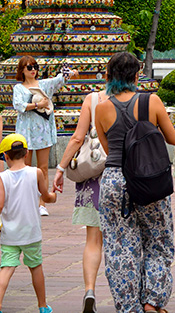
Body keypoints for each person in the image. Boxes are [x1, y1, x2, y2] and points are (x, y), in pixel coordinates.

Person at [94, 51, 175, 313]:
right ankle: (152, 301)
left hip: (115, 180)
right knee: (158, 241)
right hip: (149, 181)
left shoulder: (102, 107)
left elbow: (108, 148)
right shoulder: (151, 101)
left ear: (110, 75)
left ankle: (129, 308)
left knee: (120, 248)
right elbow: (173, 138)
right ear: (136, 75)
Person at [52, 88, 109, 313]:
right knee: (122, 239)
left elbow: (78, 137)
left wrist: (60, 168)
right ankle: (125, 294)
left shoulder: (93, 99)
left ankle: (89, 290)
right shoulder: (139, 99)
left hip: (94, 175)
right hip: (125, 175)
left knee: (93, 239)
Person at [0, 132, 56, 313]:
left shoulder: (2, 178)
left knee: (7, 268)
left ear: (6, 156)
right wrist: (53, 196)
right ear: (26, 154)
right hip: (31, 231)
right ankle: (42, 306)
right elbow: (46, 196)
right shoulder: (36, 172)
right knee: (36, 267)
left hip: (10, 233)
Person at [12, 55, 75, 215]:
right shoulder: (18, 88)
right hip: (26, 131)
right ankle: (25, 202)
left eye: (35, 67)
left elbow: (59, 80)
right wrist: (37, 105)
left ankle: (42, 203)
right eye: (29, 67)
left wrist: (70, 72)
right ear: (22, 70)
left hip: (42, 131)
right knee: (24, 167)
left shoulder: (44, 84)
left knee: (44, 167)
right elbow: (19, 105)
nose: (33, 70)